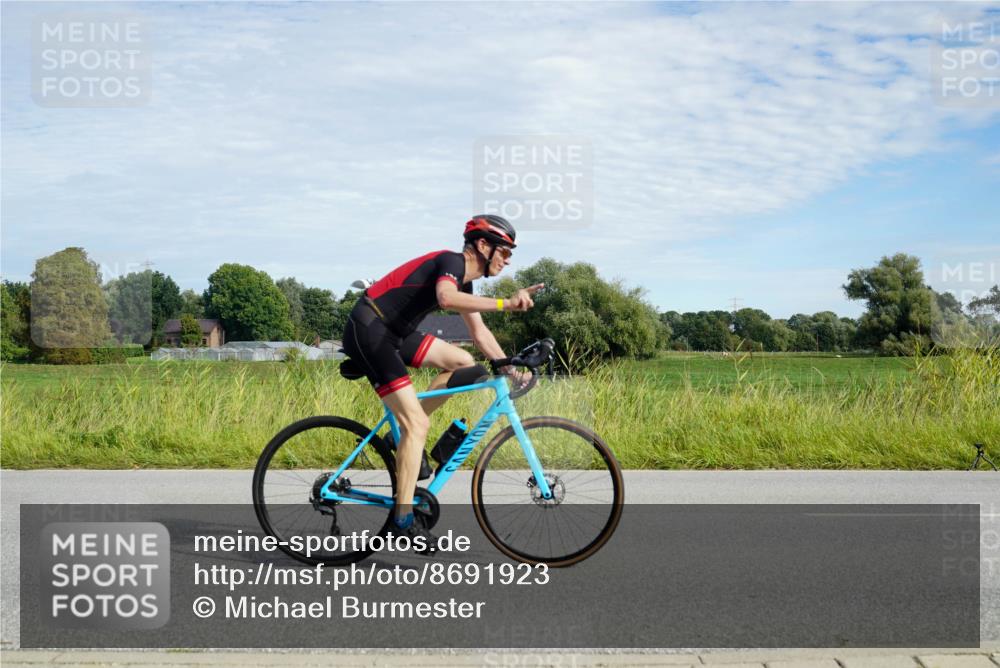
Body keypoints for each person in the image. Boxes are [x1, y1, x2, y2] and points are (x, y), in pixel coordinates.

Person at [341, 215, 544, 553]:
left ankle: (401, 436)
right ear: (483, 245)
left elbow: (478, 334)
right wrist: (506, 303)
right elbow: (446, 298)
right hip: (370, 329)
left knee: (465, 363)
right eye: (505, 252)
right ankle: (402, 520)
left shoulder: (465, 282)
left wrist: (510, 369)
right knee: (418, 423)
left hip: (395, 333)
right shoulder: (450, 263)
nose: (508, 260)